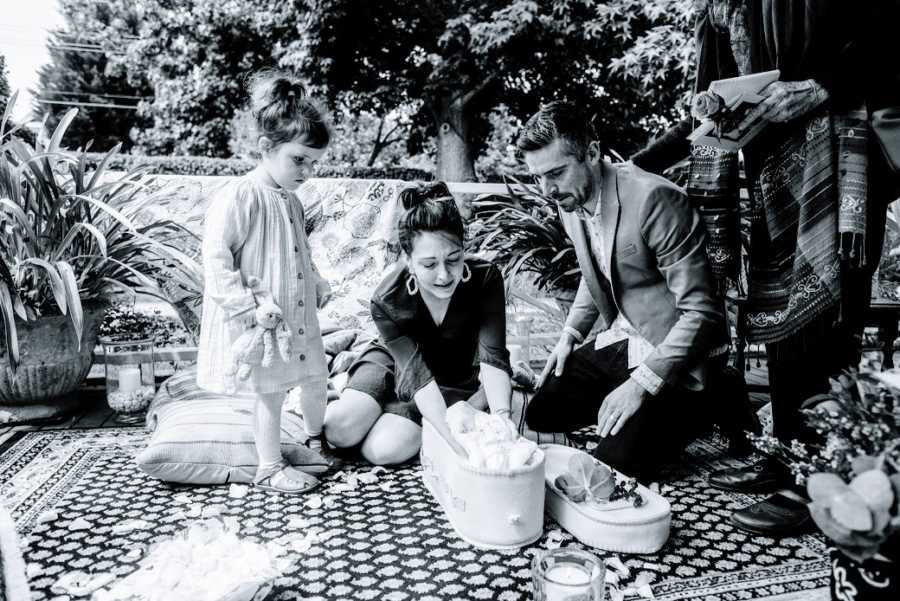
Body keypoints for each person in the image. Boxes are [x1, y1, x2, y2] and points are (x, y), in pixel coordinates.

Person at [631, 0, 899, 536]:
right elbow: (707, 101)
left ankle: (823, 479)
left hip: (841, 158)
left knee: (825, 323)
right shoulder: (716, 9)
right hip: (772, 175)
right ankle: (788, 460)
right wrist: (646, 156)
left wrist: (820, 86)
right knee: (780, 320)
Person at [519, 101, 739, 482]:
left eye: (555, 172)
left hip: (677, 357)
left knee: (610, 464)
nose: (548, 189)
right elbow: (601, 273)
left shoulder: (654, 199)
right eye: (539, 177)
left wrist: (641, 385)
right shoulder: (570, 200)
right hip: (624, 339)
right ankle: (634, 409)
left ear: (591, 153)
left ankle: (707, 406)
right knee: (542, 412)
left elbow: (702, 313)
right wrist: (569, 336)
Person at [196, 71, 333, 494]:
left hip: (299, 313)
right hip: (264, 319)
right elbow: (216, 260)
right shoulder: (240, 195)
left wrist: (317, 280)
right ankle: (269, 466)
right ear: (265, 148)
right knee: (270, 392)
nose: (307, 171)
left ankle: (313, 440)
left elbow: (298, 251)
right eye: (299, 160)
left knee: (316, 376)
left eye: (314, 162)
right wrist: (247, 308)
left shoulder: (291, 199)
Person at [323, 182, 514, 465]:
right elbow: (414, 373)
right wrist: (450, 438)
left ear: (464, 249)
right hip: (394, 362)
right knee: (338, 429)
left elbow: (493, 356)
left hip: (452, 373)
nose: (444, 275)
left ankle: (389, 413)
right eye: (429, 264)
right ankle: (371, 403)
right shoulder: (386, 299)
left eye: (454, 258)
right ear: (408, 260)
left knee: (385, 451)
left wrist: (502, 421)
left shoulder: (486, 279)